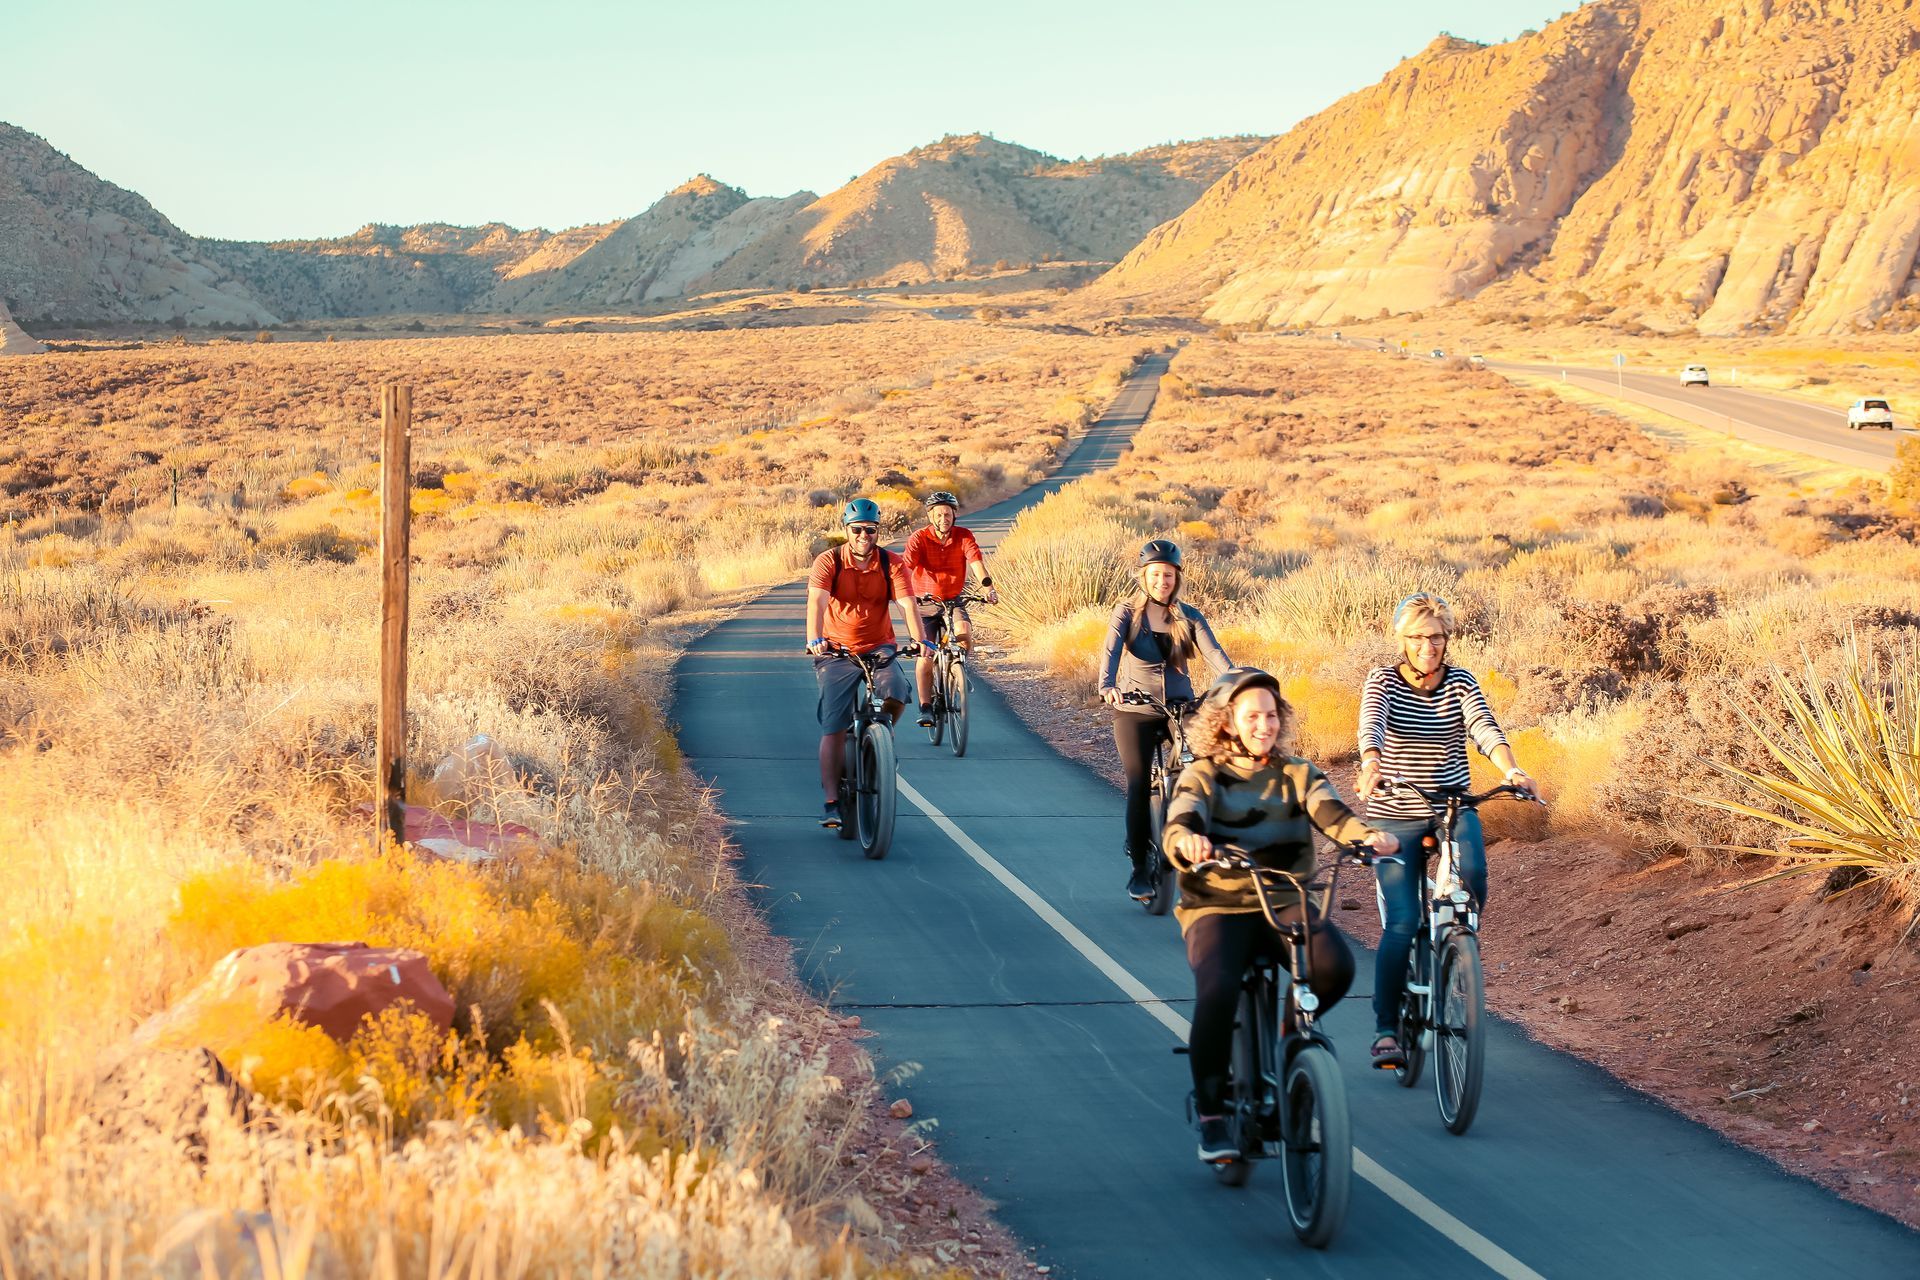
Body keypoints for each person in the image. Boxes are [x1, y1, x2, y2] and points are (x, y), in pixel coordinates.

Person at [1163, 667, 1399, 1162]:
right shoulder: (1203, 774)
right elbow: (1181, 820)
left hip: (1285, 898)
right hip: (1218, 904)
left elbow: (1332, 813)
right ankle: (1211, 1113)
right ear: (1228, 722)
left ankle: (1292, 1033)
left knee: (1336, 965)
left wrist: (1366, 838)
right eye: (1253, 717)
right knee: (1218, 989)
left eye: (1271, 715)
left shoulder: (1298, 773)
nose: (1264, 725)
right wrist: (1188, 841)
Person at [1355, 593, 1533, 1069]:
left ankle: (1456, 949)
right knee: (1401, 922)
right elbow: (1371, 726)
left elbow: (1484, 727)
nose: (1428, 646)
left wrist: (1512, 770)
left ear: (1446, 639)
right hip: (1396, 808)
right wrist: (1371, 764)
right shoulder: (1383, 682)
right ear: (1403, 640)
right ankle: (1387, 1029)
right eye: (1417, 637)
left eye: (1435, 637)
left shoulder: (1459, 681)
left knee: (1473, 874)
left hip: (1452, 805)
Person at [1098, 538, 1231, 902]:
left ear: (1177, 577)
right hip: (1134, 707)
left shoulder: (1188, 615)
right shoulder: (1126, 612)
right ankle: (1140, 868)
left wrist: (1238, 683)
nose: (1162, 581)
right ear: (1144, 576)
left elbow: (1215, 654)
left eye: (1169, 575)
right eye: (1155, 574)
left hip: (1180, 706)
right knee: (1139, 783)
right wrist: (1107, 685)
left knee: (1200, 770)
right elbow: (1110, 650)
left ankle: (1200, 846)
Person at [805, 499, 926, 828]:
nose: (863, 536)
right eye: (856, 530)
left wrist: (920, 639)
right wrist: (814, 638)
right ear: (846, 530)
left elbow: (906, 603)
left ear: (877, 531)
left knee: (898, 691)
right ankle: (831, 801)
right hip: (836, 650)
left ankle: (881, 741)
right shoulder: (829, 560)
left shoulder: (892, 563)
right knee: (834, 723)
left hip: (879, 646)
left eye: (870, 530)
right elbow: (816, 602)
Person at [903, 491, 998, 726]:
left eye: (947, 514)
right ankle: (925, 706)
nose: (943, 518)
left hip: (953, 599)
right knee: (925, 654)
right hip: (924, 604)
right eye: (938, 514)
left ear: (954, 515)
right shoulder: (919, 538)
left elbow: (976, 563)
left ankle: (956, 672)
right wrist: (900, 591)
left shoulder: (963, 536)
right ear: (930, 516)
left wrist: (988, 588)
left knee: (964, 632)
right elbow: (905, 567)